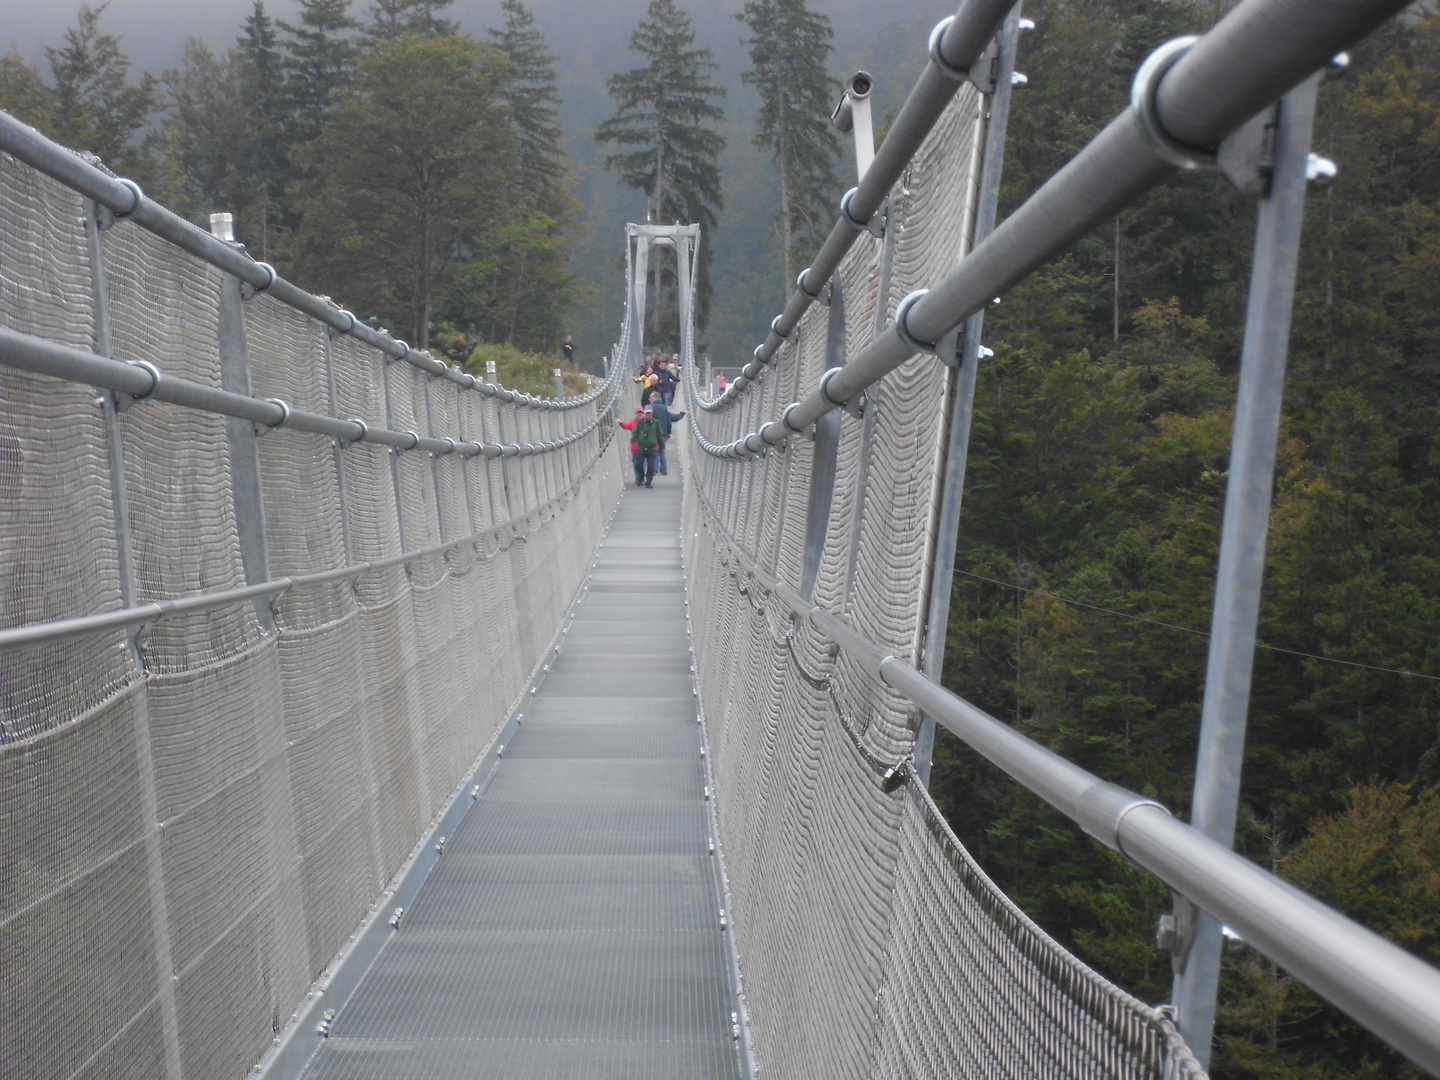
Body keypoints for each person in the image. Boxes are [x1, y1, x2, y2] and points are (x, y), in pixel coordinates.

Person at [648, 390, 685, 475]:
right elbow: (670, 420)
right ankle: (663, 468)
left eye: (650, 397)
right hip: (663, 433)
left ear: (654, 398)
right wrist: (668, 432)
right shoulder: (664, 408)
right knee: (661, 450)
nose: (649, 399)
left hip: (652, 433)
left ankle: (654, 469)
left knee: (654, 450)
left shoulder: (649, 408)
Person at [632, 404, 664, 487]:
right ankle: (641, 477)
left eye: (649, 413)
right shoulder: (640, 423)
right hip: (641, 447)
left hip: (652, 448)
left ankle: (649, 482)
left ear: (652, 413)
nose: (648, 415)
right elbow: (635, 433)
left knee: (651, 466)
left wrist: (662, 447)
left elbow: (660, 435)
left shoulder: (656, 423)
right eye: (646, 413)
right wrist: (631, 442)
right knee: (638, 463)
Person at [617, 406, 646, 486]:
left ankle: (643, 478)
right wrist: (621, 423)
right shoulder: (633, 422)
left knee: (644, 462)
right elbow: (626, 426)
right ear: (636, 414)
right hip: (635, 447)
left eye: (641, 413)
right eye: (639, 413)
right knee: (636, 463)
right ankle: (638, 477)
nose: (640, 414)